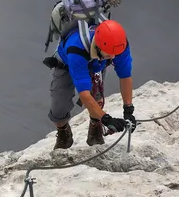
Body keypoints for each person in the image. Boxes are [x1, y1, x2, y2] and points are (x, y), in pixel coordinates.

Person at [48, 19, 137, 149]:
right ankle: (63, 132)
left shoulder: (118, 45)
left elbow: (125, 76)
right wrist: (106, 119)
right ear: (98, 46)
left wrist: (128, 109)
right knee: (58, 108)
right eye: (109, 54)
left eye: (115, 54)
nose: (113, 57)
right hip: (67, 65)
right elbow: (84, 94)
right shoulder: (76, 49)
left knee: (97, 98)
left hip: (96, 63)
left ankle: (95, 128)